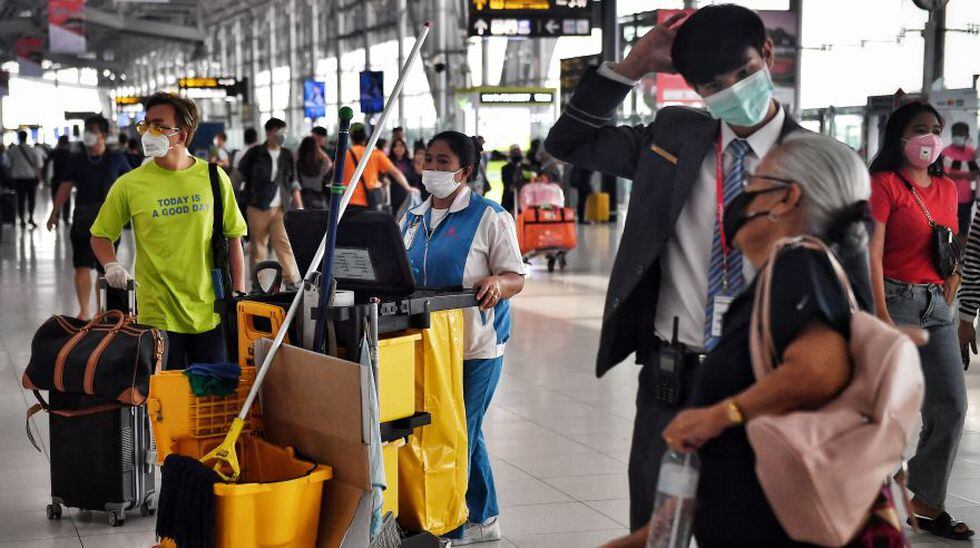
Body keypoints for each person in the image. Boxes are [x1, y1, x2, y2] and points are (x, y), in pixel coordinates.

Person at [545, 5, 811, 531]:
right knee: (655, 529)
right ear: (695, 89)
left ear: (768, 55)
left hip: (770, 382)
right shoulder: (672, 137)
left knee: (755, 530)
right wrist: (633, 65)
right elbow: (567, 143)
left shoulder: (818, 159)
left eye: (744, 72)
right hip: (674, 377)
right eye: (715, 85)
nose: (734, 91)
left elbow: (851, 288)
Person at [605, 134, 902, 547]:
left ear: (786, 198)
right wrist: (654, 532)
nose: (740, 196)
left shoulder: (799, 265)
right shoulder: (781, 278)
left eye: (753, 183)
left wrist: (718, 415)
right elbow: (753, 442)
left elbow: (820, 369)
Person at [401, 131, 525, 545]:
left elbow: (515, 277)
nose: (432, 169)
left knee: (458, 434)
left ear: (465, 171)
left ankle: (451, 524)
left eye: (443, 162)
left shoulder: (490, 216)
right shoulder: (412, 218)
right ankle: (485, 516)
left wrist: (498, 283)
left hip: (478, 345)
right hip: (429, 345)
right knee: (463, 429)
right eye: (429, 160)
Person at [868, 101, 972, 540]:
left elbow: (948, 241)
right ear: (899, 137)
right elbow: (870, 254)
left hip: (936, 304)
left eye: (935, 128)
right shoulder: (883, 185)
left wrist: (954, 280)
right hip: (894, 301)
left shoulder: (946, 188)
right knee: (883, 409)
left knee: (951, 405)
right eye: (919, 128)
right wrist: (880, 314)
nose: (929, 137)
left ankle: (926, 499)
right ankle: (870, 500)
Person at [90, 92, 247, 370]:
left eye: (158, 126)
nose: (148, 132)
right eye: (146, 125)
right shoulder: (130, 185)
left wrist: (238, 293)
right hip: (157, 315)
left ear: (181, 135)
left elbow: (233, 237)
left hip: (210, 311)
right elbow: (100, 234)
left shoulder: (213, 177)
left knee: (210, 391)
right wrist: (111, 264)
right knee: (165, 394)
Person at [48, 116, 131, 319]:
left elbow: (131, 185)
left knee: (105, 269)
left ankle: (101, 312)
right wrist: (54, 212)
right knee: (81, 266)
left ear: (103, 134)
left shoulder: (116, 159)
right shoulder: (76, 160)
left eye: (92, 130)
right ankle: (84, 310)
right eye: (86, 130)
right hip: (82, 220)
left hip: (109, 221)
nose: (88, 135)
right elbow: (65, 186)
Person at [237, 117, 304, 292]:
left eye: (284, 133)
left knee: (283, 243)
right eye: (279, 133)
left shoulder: (287, 155)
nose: (282, 136)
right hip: (257, 207)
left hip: (281, 208)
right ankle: (257, 284)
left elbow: (293, 181)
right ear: (268, 133)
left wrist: (299, 205)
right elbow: (238, 176)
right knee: (258, 247)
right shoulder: (255, 153)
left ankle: (291, 280)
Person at [341, 123, 418, 209]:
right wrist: (408, 188)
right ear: (365, 137)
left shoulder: (344, 155)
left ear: (351, 137)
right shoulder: (375, 154)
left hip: (347, 201)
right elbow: (396, 173)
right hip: (370, 201)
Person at [943, 122, 979, 237]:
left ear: (967, 135)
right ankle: (949, 248)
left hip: (967, 198)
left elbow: (976, 171)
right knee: (950, 231)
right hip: (950, 199)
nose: (957, 136)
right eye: (955, 133)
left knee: (964, 230)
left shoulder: (971, 152)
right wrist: (964, 175)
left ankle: (962, 248)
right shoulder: (945, 152)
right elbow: (944, 176)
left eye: (960, 133)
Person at [5, 130, 44, 228]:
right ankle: (30, 217)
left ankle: (22, 219)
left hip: (18, 179)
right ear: (26, 137)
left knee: (20, 199)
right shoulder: (32, 150)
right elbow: (38, 166)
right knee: (32, 199)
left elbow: (8, 165)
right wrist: (40, 179)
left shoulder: (13, 150)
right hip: (31, 178)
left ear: (19, 137)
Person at [296, 136, 332, 210]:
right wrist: (318, 149)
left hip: (303, 199)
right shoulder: (322, 164)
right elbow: (329, 163)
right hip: (318, 200)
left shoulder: (298, 164)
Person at [48, 135, 73, 225]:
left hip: (55, 179)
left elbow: (47, 164)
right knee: (66, 199)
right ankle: (66, 218)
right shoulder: (70, 154)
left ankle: (56, 217)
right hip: (67, 180)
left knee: (56, 198)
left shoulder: (53, 153)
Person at [500, 145, 528, 215]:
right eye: (514, 153)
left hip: (524, 198)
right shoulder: (505, 168)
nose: (517, 154)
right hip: (510, 200)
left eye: (518, 152)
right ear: (511, 155)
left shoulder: (526, 167)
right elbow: (506, 184)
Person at [388, 138, 413, 213]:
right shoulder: (388, 161)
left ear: (405, 148)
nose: (399, 148)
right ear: (392, 149)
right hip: (394, 196)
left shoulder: (410, 162)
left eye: (401, 146)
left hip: (408, 196)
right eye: (396, 146)